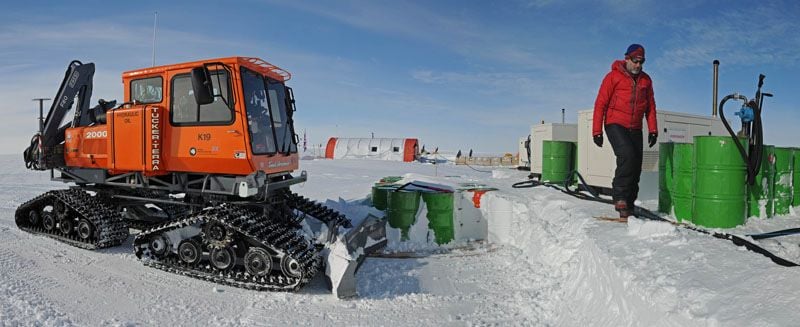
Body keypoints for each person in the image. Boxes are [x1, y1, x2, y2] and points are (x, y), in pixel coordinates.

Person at [592, 44, 658, 219]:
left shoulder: (646, 80)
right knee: (627, 155)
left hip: (635, 127)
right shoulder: (613, 77)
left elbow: (651, 107)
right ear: (627, 59)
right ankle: (620, 196)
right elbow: (600, 104)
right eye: (635, 61)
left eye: (641, 62)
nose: (638, 65)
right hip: (615, 123)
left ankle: (629, 202)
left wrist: (653, 129)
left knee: (636, 163)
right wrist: (596, 131)